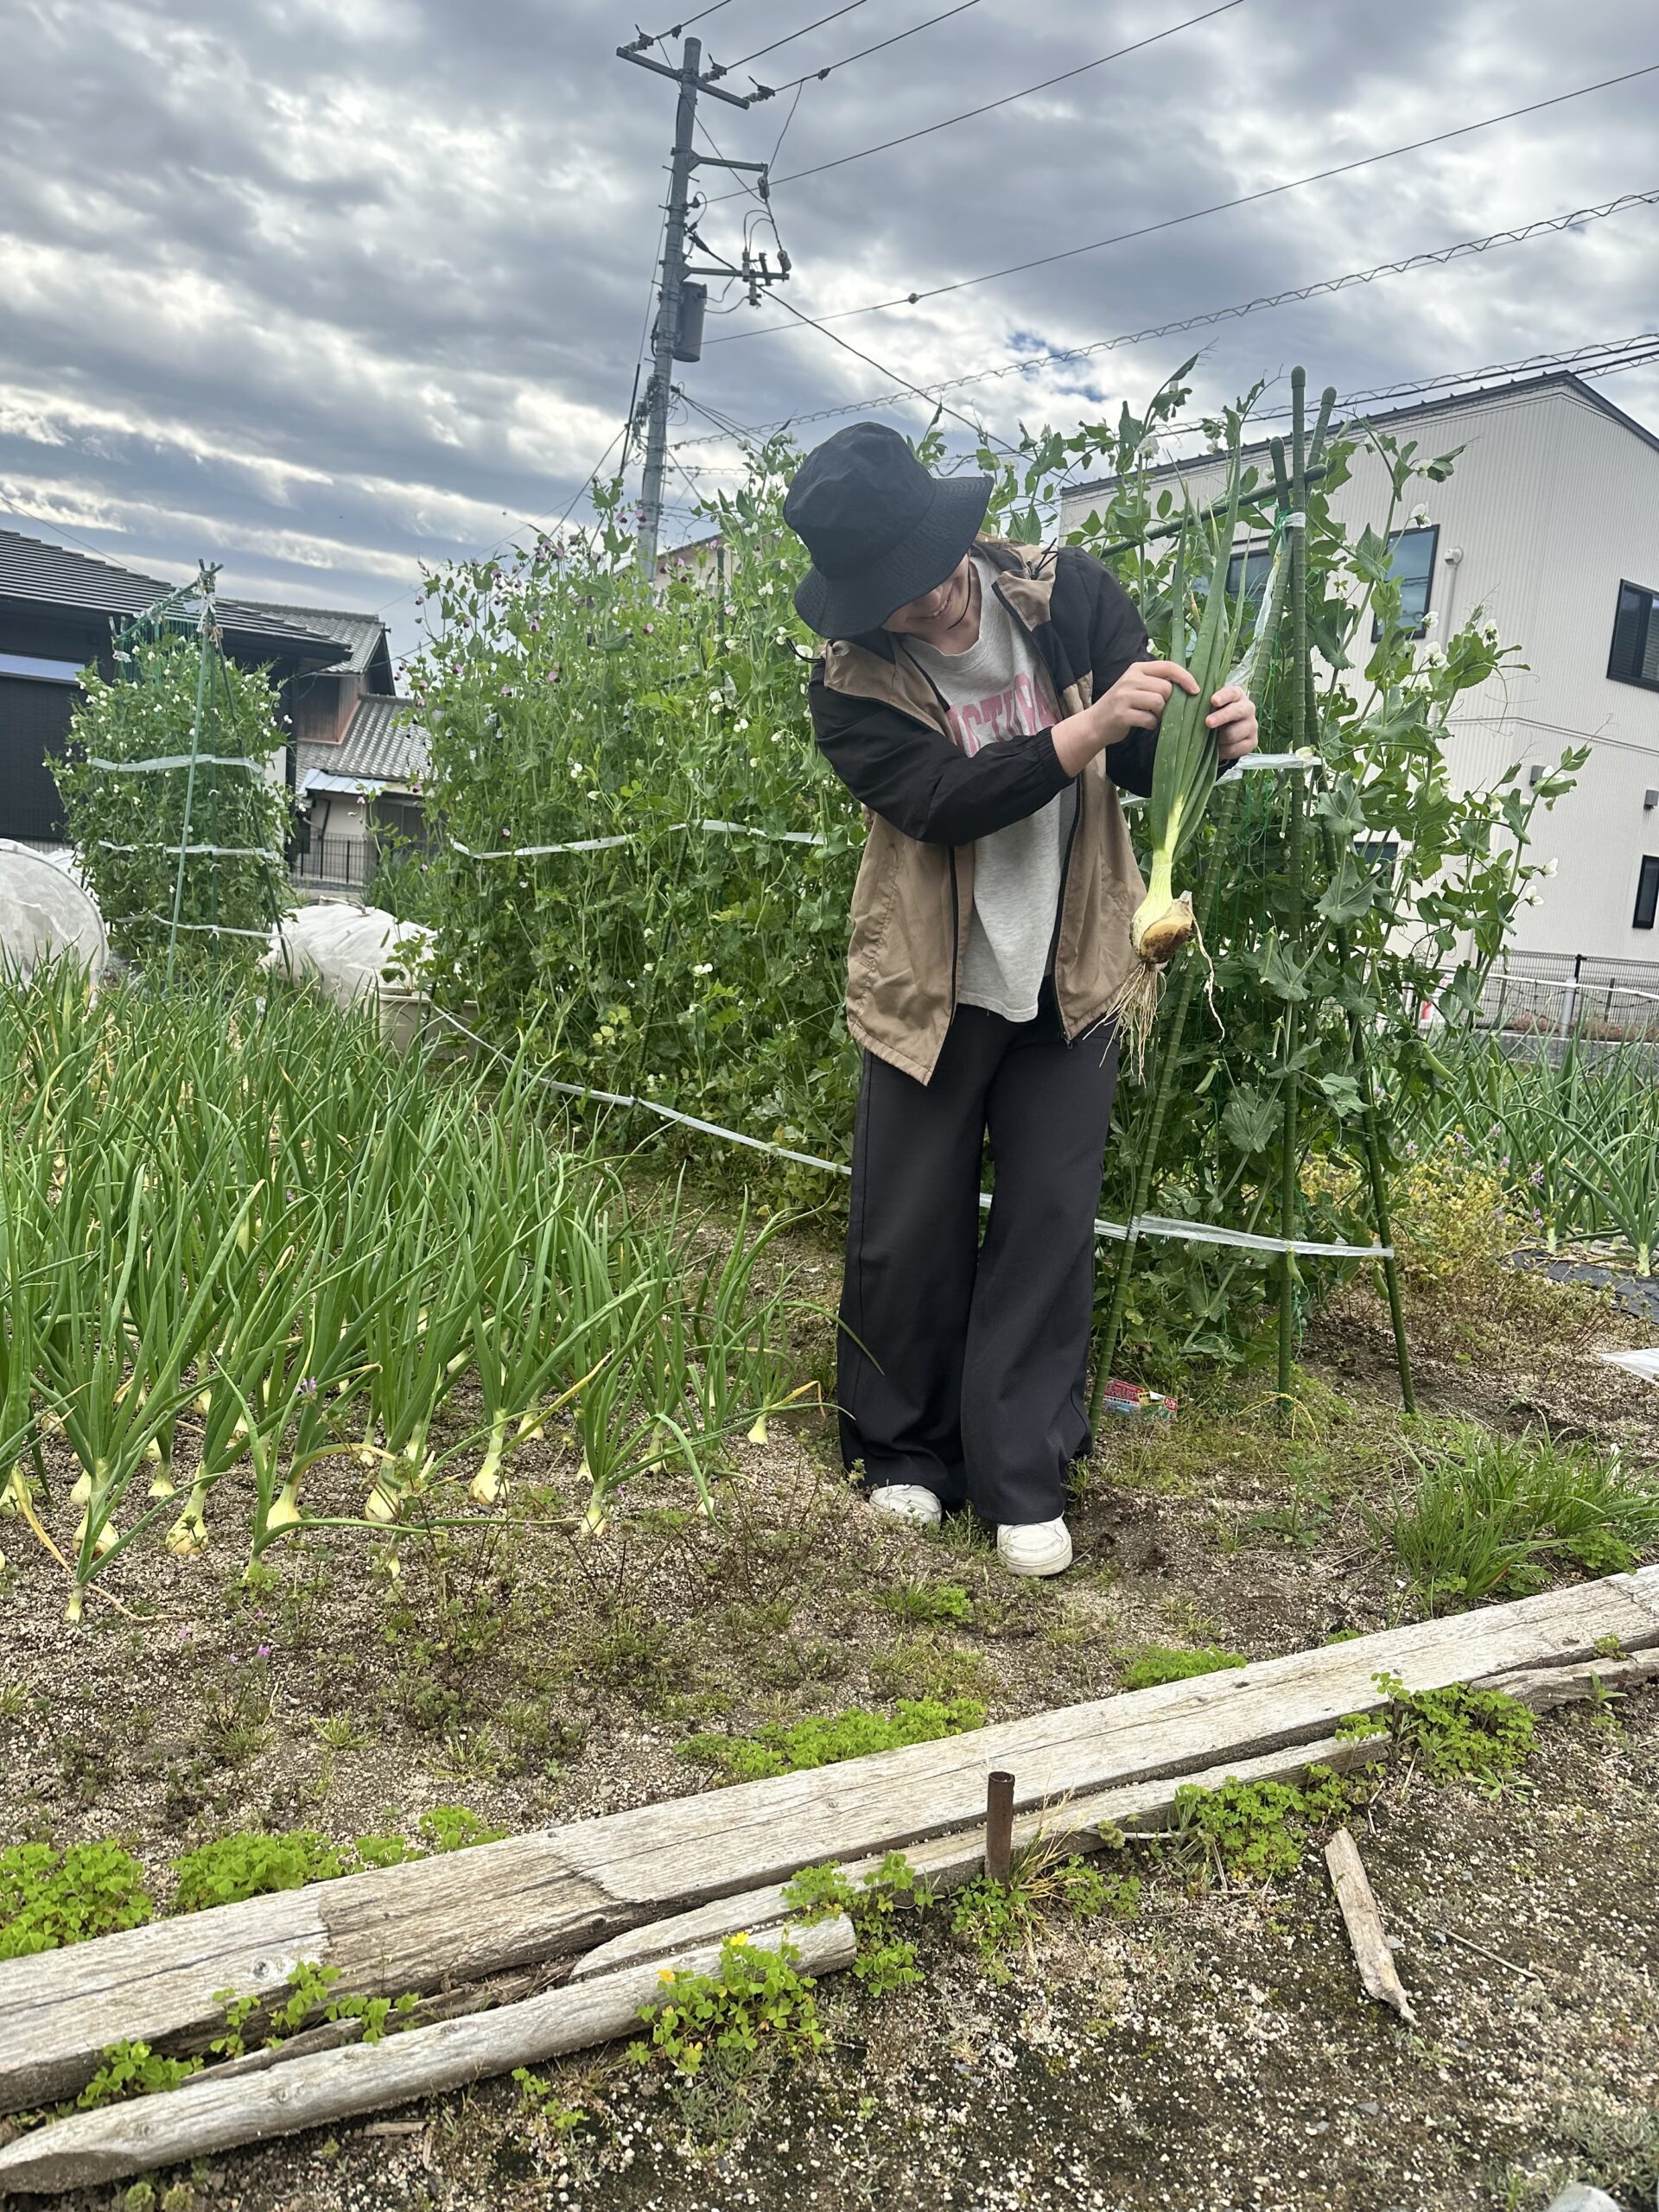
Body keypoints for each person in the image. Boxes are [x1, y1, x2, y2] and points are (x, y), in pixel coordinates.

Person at [784, 421, 1258, 1577]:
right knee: (908, 1225)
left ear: (957, 535)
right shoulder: (851, 682)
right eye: (902, 601)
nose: (937, 604)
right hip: (931, 981)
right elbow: (940, 802)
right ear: (863, 607)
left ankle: (1020, 1473)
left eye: (939, 573)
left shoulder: (1068, 598)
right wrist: (1078, 730)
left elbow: (1142, 755)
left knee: (1048, 1220)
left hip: (1073, 968)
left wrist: (1215, 739)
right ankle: (903, 1453)